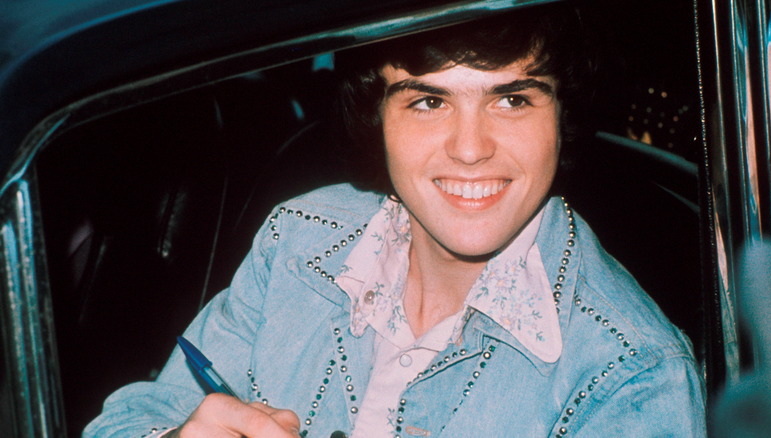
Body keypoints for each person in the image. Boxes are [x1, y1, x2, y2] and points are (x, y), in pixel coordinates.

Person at [85, 4, 706, 437]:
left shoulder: (631, 376)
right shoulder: (297, 238)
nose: (470, 147)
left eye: (513, 99)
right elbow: (135, 413)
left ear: (562, 116)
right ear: (376, 117)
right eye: (429, 101)